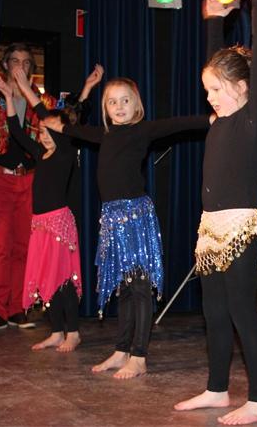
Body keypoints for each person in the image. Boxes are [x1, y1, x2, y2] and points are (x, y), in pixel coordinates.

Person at [44, 77, 211, 379]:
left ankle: (139, 356)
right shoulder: (104, 135)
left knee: (140, 288)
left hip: (135, 218)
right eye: (112, 102)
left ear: (136, 105)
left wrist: (211, 119)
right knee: (124, 288)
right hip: (111, 219)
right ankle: (122, 350)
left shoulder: (141, 130)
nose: (119, 106)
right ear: (106, 109)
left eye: (125, 100)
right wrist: (57, 124)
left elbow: (177, 124)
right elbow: (73, 128)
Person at [174, 0, 257, 426]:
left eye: (216, 90)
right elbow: (215, 61)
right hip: (210, 228)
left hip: (241, 228)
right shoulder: (218, 119)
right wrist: (213, 20)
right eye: (206, 90)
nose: (209, 97)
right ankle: (217, 389)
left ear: (241, 88)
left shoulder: (253, 120)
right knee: (213, 312)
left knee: (241, 313)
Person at [0, 44, 102, 333]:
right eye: (14, 60)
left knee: (25, 247)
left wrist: (87, 88)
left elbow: (69, 120)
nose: (20, 66)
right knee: (1, 245)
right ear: (5, 65)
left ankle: (18, 308)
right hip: (1, 178)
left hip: (31, 179)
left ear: (31, 69)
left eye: (26, 62)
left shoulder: (43, 100)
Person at [0, 65, 85, 352]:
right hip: (40, 224)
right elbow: (16, 131)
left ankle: (73, 332)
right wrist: (9, 97)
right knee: (47, 279)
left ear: (62, 134)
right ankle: (56, 331)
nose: (45, 135)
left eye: (51, 131)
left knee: (63, 280)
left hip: (59, 223)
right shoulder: (39, 154)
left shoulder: (65, 154)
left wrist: (26, 89)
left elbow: (47, 116)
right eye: (43, 131)